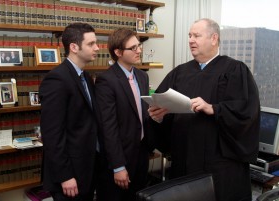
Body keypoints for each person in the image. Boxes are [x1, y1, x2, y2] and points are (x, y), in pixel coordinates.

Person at [148, 18, 260, 201]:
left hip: (220, 168)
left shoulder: (234, 70)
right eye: (190, 35)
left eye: (197, 35)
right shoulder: (179, 73)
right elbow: (161, 107)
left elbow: (247, 113)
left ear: (214, 38)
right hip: (183, 163)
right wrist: (158, 118)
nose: (191, 40)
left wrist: (214, 109)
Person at [39, 22, 100, 201]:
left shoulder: (86, 77)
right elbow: (52, 134)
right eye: (91, 44)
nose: (97, 48)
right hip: (68, 175)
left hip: (86, 169)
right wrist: (65, 175)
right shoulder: (57, 79)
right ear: (74, 47)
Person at [95, 28, 152, 201]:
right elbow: (108, 127)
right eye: (133, 48)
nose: (139, 50)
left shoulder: (142, 76)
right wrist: (118, 166)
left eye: (139, 45)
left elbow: (140, 114)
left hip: (141, 153)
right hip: (119, 157)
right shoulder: (106, 80)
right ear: (118, 52)